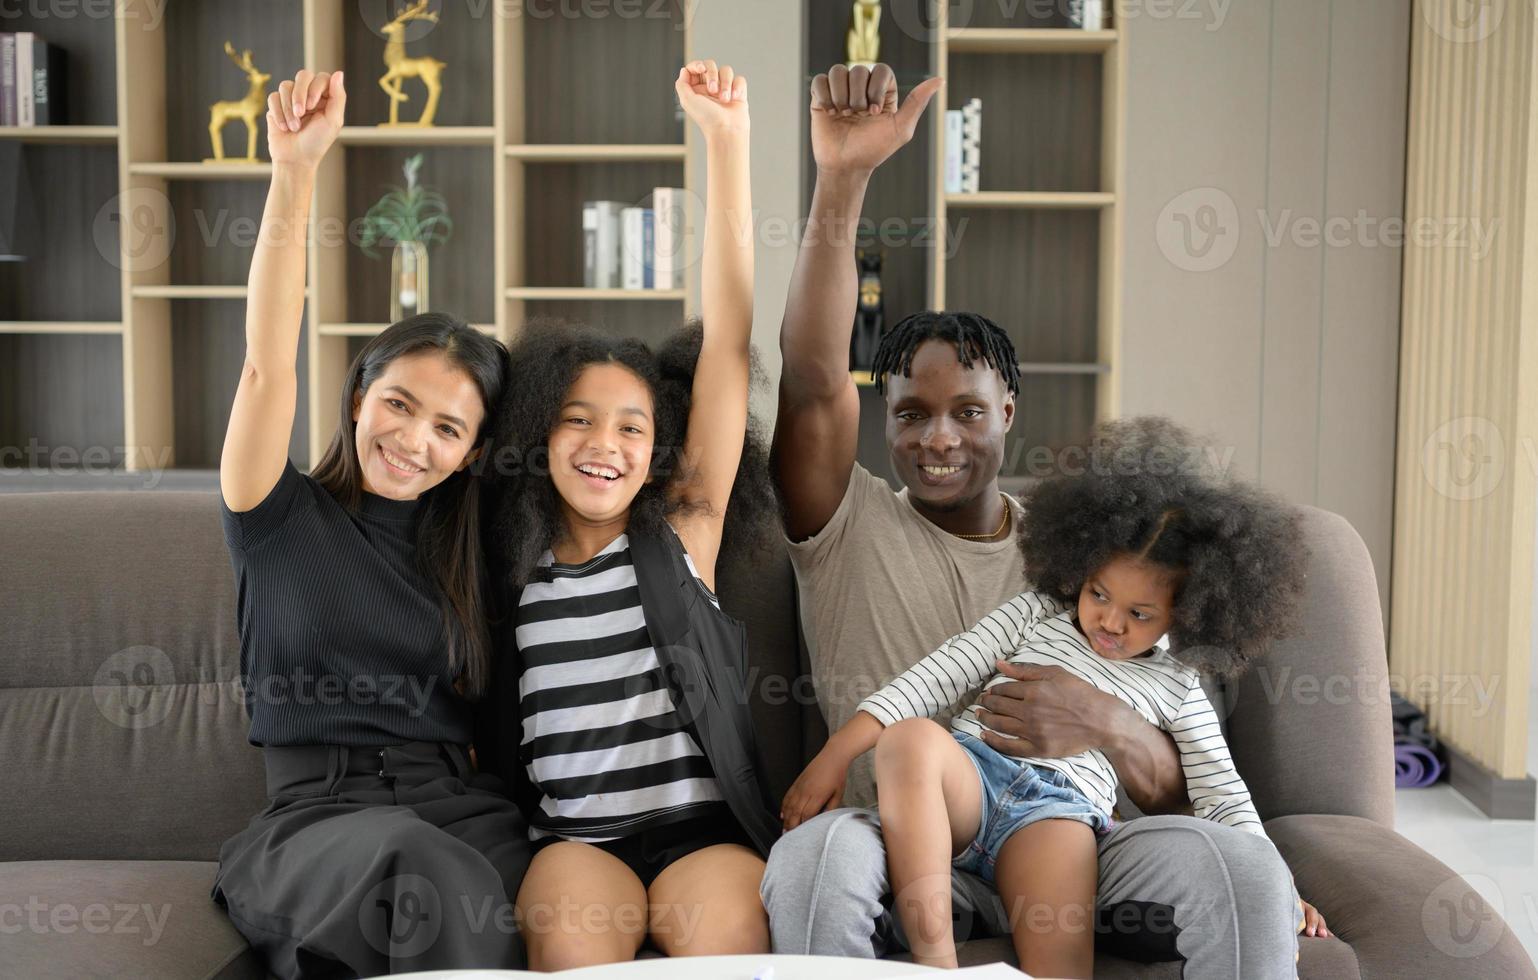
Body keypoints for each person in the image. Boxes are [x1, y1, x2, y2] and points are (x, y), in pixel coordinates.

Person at [761, 62, 1306, 976]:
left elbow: (1192, 780)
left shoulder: (1110, 559)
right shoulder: (845, 523)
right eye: (909, 413)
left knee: (1248, 870)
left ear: (1008, 411)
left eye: (968, 412)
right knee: (816, 858)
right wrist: (843, 178)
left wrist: (1100, 721)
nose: (939, 438)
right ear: (882, 419)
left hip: (1077, 830)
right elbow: (814, 380)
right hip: (905, 831)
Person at [782, 420, 1329, 976]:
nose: (1110, 622)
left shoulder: (1178, 686)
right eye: (1098, 594)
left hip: (1060, 814)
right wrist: (834, 756)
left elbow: (1223, 794)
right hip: (972, 777)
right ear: (1081, 567)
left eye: (1139, 615)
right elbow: (934, 677)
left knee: (1060, 965)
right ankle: (937, 964)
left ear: (1185, 614)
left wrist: (1283, 888)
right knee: (910, 740)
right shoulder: (1036, 613)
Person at [211, 70, 533, 977]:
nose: (412, 440)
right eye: (398, 404)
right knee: (422, 870)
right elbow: (267, 365)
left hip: (465, 809)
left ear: (472, 453)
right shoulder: (272, 515)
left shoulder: (472, 549)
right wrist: (296, 171)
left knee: (558, 896)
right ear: (357, 396)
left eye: (447, 428)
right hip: (320, 819)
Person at [473, 60, 781, 970]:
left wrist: (727, 143)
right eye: (576, 419)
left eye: (631, 426)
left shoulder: (684, 526)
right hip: (577, 842)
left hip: (700, 833)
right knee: (569, 941)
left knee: (728, 941)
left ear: (659, 448)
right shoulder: (508, 558)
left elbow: (726, 338)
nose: (604, 443)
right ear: (537, 429)